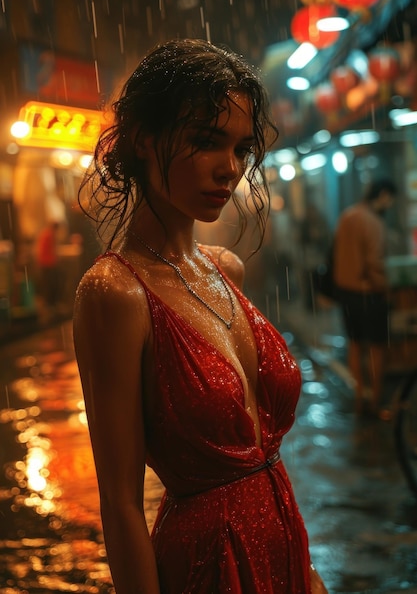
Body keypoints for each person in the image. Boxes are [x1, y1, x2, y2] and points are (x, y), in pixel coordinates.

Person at [73, 38, 328, 594]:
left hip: (284, 545)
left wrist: (306, 572)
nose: (230, 169)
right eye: (207, 142)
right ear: (143, 139)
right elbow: (119, 501)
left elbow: (265, 460)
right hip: (207, 565)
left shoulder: (225, 268)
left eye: (240, 149)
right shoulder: (115, 293)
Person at [333, 178, 397, 417]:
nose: (390, 204)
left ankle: (360, 396)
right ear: (382, 195)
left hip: (347, 293)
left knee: (355, 344)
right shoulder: (373, 222)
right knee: (377, 348)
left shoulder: (347, 216)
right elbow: (374, 264)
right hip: (369, 293)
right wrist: (385, 288)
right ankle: (377, 400)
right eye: (390, 198)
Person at [35, 219, 61, 322]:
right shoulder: (50, 235)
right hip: (48, 264)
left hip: (44, 263)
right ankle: (51, 306)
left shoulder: (45, 233)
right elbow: (52, 250)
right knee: (51, 285)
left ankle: (49, 306)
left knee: (47, 285)